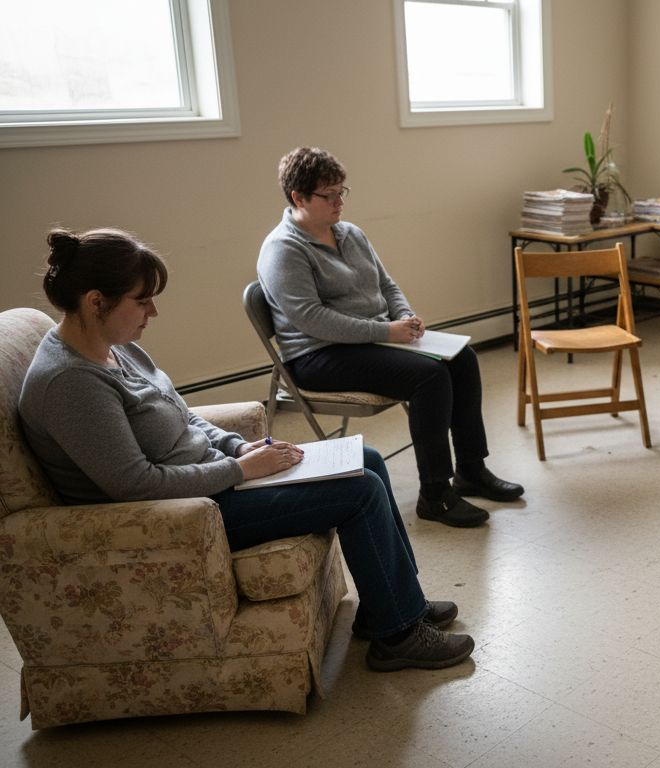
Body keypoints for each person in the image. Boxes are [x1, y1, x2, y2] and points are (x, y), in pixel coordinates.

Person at [19, 228, 474, 673]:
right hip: (188, 512)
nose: (152, 311)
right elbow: (133, 484)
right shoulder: (71, 384)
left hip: (214, 477)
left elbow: (183, 416)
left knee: (367, 460)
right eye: (142, 300)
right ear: (96, 301)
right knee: (361, 491)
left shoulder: (116, 348)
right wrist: (240, 469)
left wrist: (239, 446)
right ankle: (398, 637)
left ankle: (393, 606)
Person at [258, 146, 521, 529]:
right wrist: (386, 331)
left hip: (371, 341)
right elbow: (312, 320)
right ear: (298, 197)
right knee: (429, 376)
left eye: (341, 192)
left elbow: (386, 284)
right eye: (328, 195)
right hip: (317, 357)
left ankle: (471, 469)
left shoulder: (350, 234)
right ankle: (435, 494)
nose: (338, 203)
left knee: (463, 359)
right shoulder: (283, 249)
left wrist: (404, 317)